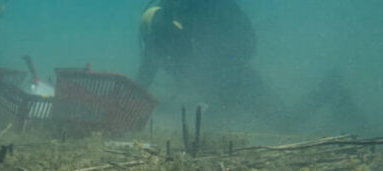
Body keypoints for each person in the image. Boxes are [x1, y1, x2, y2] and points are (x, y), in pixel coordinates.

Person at [136, 0, 364, 132]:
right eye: (149, 43)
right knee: (203, 129)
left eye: (154, 42)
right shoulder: (161, 38)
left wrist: (214, 97)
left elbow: (222, 61)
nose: (152, 50)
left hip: (240, 81)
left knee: (286, 123)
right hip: (220, 92)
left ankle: (330, 90)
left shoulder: (188, 32)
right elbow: (144, 77)